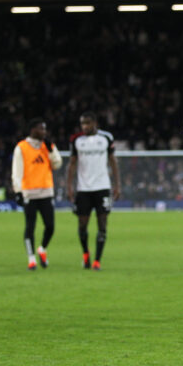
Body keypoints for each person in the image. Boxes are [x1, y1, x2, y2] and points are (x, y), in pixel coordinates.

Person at [66, 111, 121, 270]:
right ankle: (85, 254)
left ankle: (97, 261)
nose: (84, 126)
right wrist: (69, 187)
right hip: (83, 189)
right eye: (82, 123)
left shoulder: (106, 138)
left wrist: (117, 185)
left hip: (103, 188)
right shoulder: (76, 140)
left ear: (94, 123)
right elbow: (72, 165)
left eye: (87, 123)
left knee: (102, 224)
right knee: (82, 225)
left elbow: (113, 162)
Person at [11, 118, 62, 270]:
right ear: (33, 130)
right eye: (41, 129)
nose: (44, 132)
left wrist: (51, 151)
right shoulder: (22, 147)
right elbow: (17, 171)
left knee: (50, 226)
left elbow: (57, 164)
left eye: (45, 129)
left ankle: (42, 249)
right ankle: (31, 258)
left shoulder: (48, 146)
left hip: (46, 192)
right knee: (30, 227)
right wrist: (18, 191)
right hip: (29, 194)